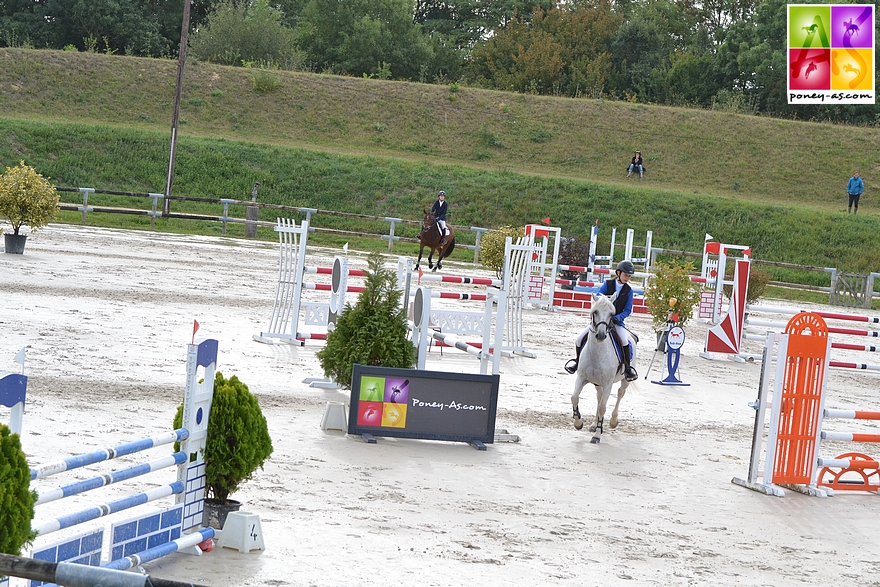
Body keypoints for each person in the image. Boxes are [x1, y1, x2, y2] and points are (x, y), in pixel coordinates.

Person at [565, 260, 638, 381]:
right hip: (601, 321)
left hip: (616, 322)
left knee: (625, 342)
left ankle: (627, 368)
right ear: (619, 273)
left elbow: (628, 310)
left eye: (629, 276)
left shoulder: (629, 291)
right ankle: (577, 362)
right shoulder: (608, 284)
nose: (627, 278)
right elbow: (598, 296)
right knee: (579, 339)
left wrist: (617, 318)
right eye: (626, 275)